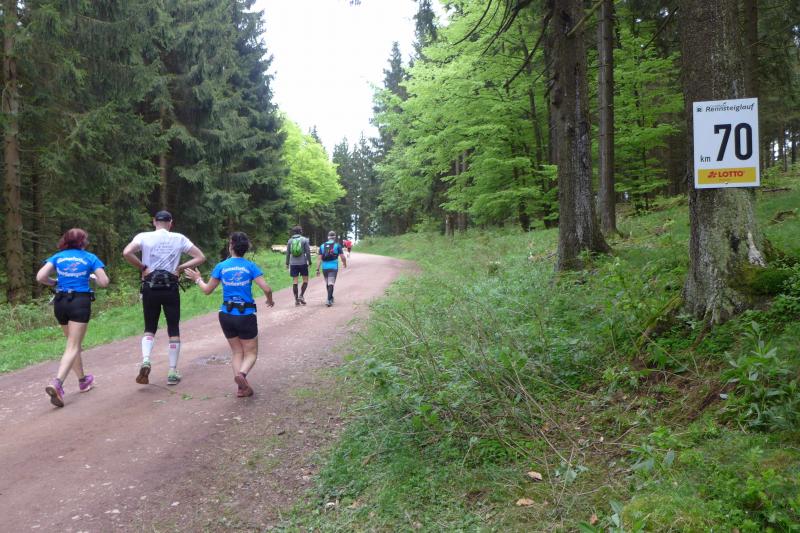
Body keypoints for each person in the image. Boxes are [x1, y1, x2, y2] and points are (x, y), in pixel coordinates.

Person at [185, 232, 274, 397]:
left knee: (237, 352)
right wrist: (270, 300)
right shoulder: (250, 266)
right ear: (245, 248)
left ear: (231, 246)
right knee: (251, 353)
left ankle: (241, 388)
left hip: (226, 315)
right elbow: (267, 289)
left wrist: (197, 279)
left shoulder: (221, 266)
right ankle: (242, 375)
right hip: (245, 314)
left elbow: (207, 290)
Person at [122, 210, 205, 386]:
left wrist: (143, 267)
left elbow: (127, 252)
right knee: (173, 328)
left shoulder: (143, 237)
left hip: (150, 286)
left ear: (154, 221)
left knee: (149, 327)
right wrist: (180, 267)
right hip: (170, 286)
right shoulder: (179, 238)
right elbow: (200, 257)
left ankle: (146, 359)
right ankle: (172, 371)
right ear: (171, 223)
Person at [36, 228, 110, 408]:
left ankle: (83, 380)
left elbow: (40, 277)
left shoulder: (57, 257)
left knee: (72, 343)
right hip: (79, 301)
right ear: (83, 241)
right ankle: (57, 383)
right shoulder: (90, 258)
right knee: (73, 345)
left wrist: (54, 282)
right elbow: (104, 282)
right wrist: (92, 277)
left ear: (66, 240)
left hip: (60, 301)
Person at [316, 230, 347, 307]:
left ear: (328, 237)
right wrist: (344, 263)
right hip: (333, 267)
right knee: (331, 283)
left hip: (324, 267)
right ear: (334, 237)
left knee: (328, 283)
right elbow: (343, 257)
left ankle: (330, 297)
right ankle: (328, 300)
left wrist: (317, 269)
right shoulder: (337, 245)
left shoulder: (322, 246)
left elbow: (319, 259)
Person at [285, 225, 312, 306]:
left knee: (295, 281)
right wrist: (309, 262)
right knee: (305, 280)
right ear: (301, 231)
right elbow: (308, 252)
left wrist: (287, 263)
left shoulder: (290, 241)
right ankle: (301, 296)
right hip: (303, 263)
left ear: (294, 232)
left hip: (293, 263)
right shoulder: (304, 240)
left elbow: (288, 253)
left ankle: (296, 300)